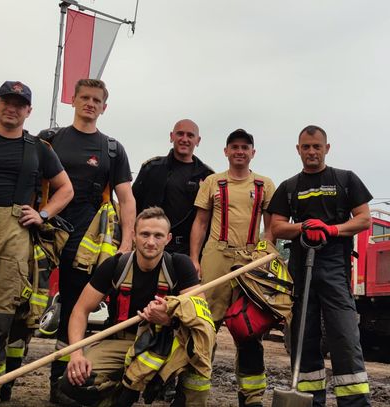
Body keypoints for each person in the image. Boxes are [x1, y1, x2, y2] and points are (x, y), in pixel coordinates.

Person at [0, 81, 74, 405]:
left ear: (28, 110)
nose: (12, 108)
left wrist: (43, 214)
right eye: (7, 101)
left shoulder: (38, 149)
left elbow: (66, 189)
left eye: (20, 103)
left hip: (13, 234)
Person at [38, 79, 136, 404]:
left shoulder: (112, 149)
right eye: (85, 97)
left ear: (104, 107)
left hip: (89, 245)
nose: (90, 103)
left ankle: (61, 385)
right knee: (30, 308)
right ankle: (5, 376)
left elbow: (126, 198)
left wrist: (126, 244)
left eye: (97, 99)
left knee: (74, 312)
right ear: (74, 101)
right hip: (47, 238)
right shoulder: (50, 140)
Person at [61, 207, 214, 406]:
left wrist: (169, 319)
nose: (151, 242)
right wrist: (76, 354)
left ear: (168, 239)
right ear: (134, 236)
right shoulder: (115, 266)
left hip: (166, 344)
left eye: (158, 236)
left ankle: (180, 398)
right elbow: (80, 311)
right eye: (145, 234)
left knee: (200, 353)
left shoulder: (180, 266)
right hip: (122, 342)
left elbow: (202, 319)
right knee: (72, 382)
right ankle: (121, 391)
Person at [268, 125, 372, 407]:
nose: (311, 152)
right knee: (303, 337)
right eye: (306, 147)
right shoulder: (289, 187)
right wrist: (303, 227)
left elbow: (364, 219)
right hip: (301, 271)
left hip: (335, 267)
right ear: (298, 149)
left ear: (327, 148)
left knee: (344, 336)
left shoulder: (345, 180)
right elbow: (276, 226)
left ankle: (354, 403)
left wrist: (331, 230)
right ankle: (309, 401)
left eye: (316, 146)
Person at [189, 129, 275, 407]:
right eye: (234, 147)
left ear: (253, 152)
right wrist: (194, 259)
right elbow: (200, 223)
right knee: (205, 326)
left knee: (249, 328)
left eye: (245, 147)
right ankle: (193, 395)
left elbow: (272, 226)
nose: (239, 151)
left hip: (251, 260)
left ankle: (251, 399)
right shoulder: (213, 182)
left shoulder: (265, 184)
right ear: (226, 152)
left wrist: (266, 254)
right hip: (216, 256)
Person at [132, 119, 213, 255]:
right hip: (150, 246)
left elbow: (208, 223)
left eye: (190, 135)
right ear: (171, 136)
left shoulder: (208, 177)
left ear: (198, 140)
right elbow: (132, 206)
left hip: (188, 252)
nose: (184, 139)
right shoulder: (152, 168)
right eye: (180, 134)